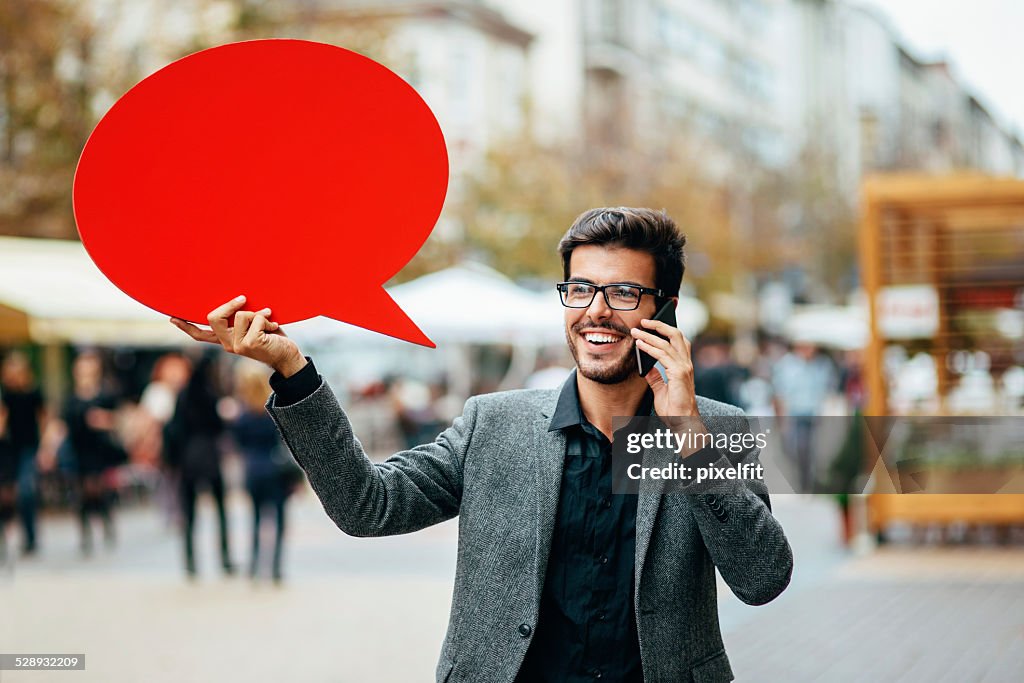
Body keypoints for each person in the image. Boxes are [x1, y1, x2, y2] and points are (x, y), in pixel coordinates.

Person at [171, 207, 792, 682]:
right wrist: (291, 369)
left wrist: (685, 434)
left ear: (667, 309)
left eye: (624, 293)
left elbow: (762, 579)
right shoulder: (495, 424)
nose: (597, 312)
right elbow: (367, 506)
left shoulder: (714, 430)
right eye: (580, 289)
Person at [164, 354, 235, 578]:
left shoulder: (183, 396)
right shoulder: (211, 395)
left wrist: (173, 459)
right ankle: (224, 558)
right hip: (209, 457)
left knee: (190, 513)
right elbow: (218, 427)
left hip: (188, 458)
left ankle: (190, 561)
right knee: (221, 511)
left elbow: (174, 429)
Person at [230, 361, 295, 582]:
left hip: (252, 470)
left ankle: (255, 565)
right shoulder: (273, 414)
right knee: (278, 520)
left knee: (256, 520)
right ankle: (276, 566)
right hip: (275, 470)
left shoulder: (241, 417)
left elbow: (237, 444)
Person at [59, 351, 121, 555]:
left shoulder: (105, 394)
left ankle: (106, 522)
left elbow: (119, 418)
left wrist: (105, 420)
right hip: (78, 449)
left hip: (99, 449)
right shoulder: (71, 397)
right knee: (81, 492)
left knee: (96, 488)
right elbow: (63, 423)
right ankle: (86, 534)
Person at [772, 340, 838, 492]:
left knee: (810, 450)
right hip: (794, 415)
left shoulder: (823, 365)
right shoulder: (787, 365)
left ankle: (807, 481)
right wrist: (780, 419)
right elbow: (779, 393)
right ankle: (802, 478)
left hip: (813, 415)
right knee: (793, 449)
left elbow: (829, 389)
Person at [0, 352, 47, 556]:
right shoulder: (5, 396)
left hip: (29, 447)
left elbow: (44, 419)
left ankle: (30, 537)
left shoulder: (34, 393)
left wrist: (45, 448)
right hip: (8, 450)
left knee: (26, 491)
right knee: (6, 494)